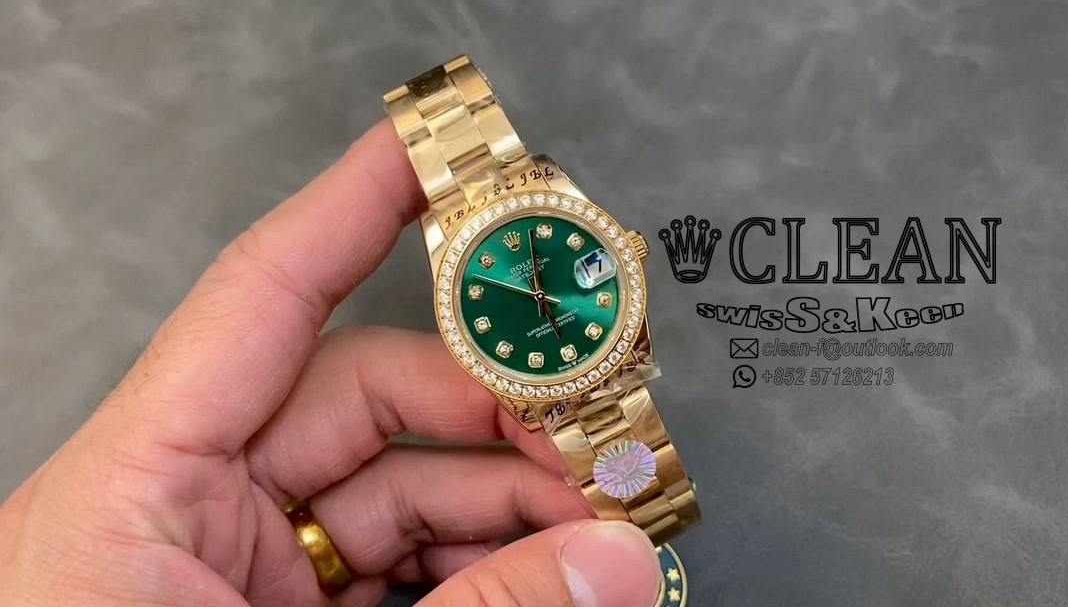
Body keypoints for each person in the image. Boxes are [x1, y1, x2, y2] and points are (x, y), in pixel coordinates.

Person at [0, 120, 662, 606]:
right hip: (551, 370)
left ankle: (651, 510)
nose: (540, 297)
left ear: (622, 251)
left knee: (633, 493)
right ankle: (647, 518)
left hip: (594, 353)